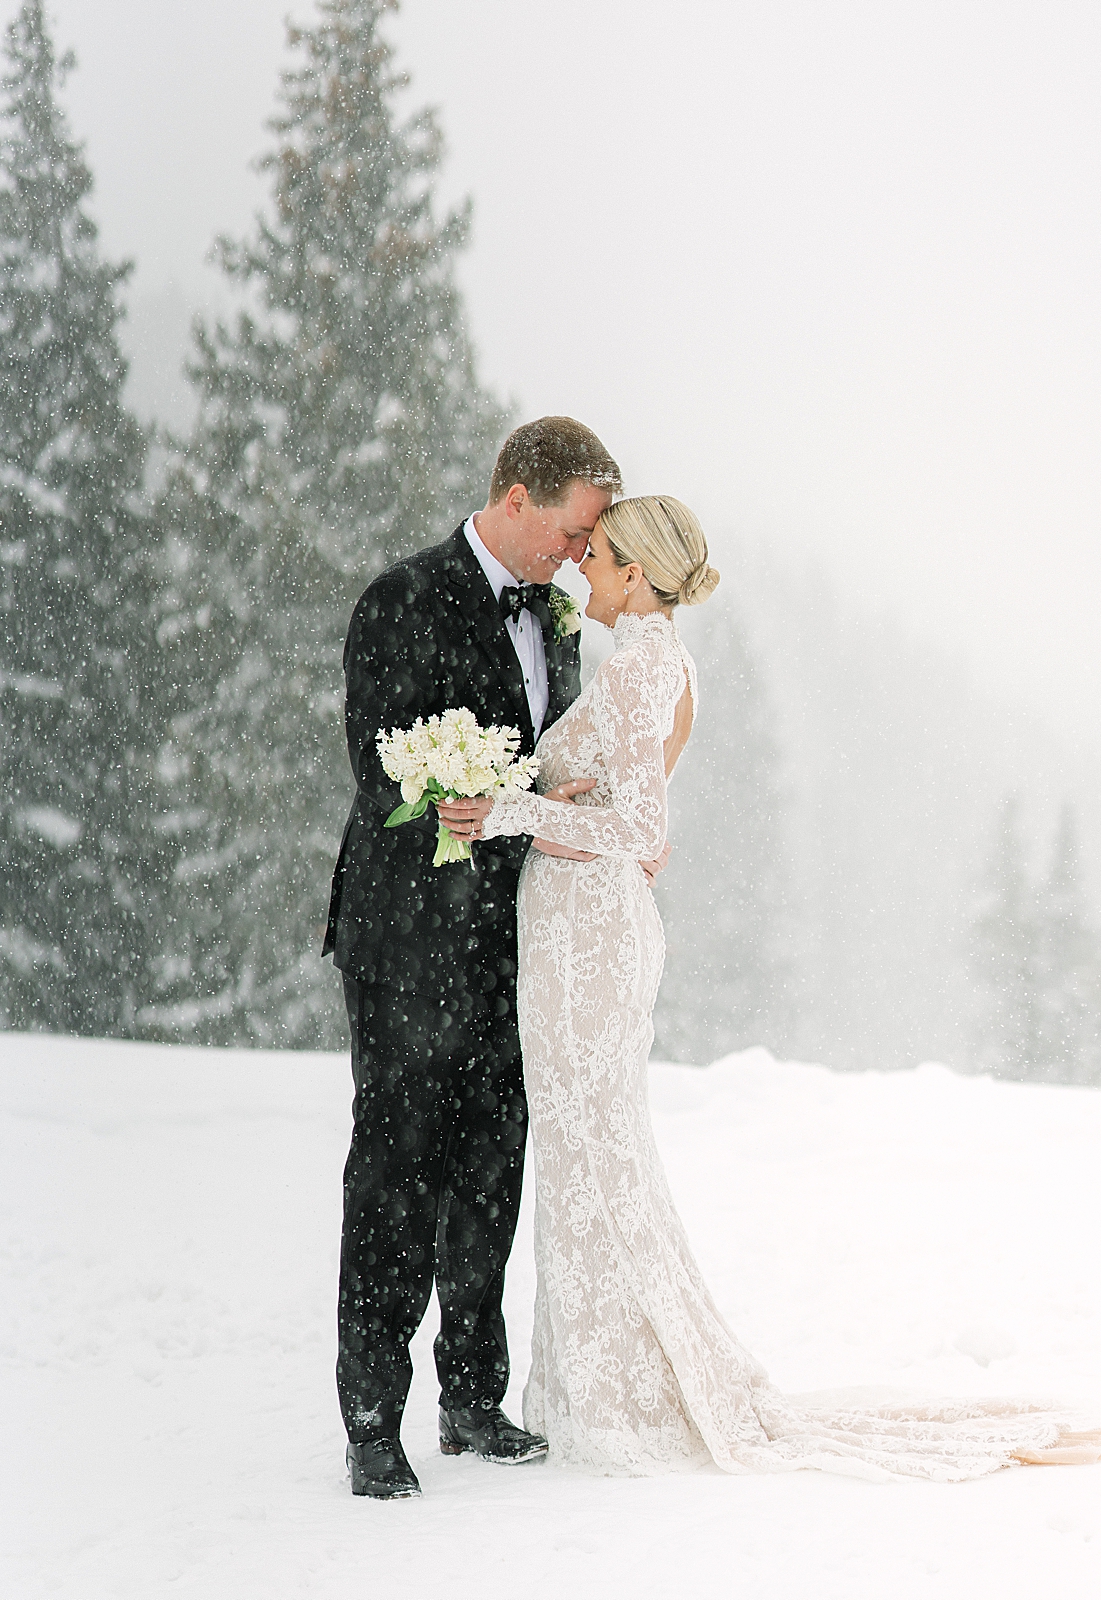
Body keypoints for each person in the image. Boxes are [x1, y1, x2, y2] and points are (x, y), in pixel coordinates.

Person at [440, 495, 1101, 1481]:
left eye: (599, 557)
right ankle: (596, 1387)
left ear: (641, 578)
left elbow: (643, 833)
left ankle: (627, 1395)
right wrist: (554, 791)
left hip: (590, 944)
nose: (582, 571)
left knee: (598, 1164)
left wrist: (515, 809)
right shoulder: (646, 659)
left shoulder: (648, 663)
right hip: (572, 937)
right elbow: (614, 798)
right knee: (587, 1163)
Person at [323, 417, 674, 1499]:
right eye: (573, 532)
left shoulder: (560, 617)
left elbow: (550, 758)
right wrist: (485, 795)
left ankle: (474, 1398)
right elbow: (383, 770)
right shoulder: (402, 596)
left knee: (491, 1165)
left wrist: (543, 798)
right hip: (409, 940)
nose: (582, 554)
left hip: (516, 942)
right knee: (395, 1173)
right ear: (516, 497)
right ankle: (372, 1417)